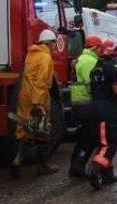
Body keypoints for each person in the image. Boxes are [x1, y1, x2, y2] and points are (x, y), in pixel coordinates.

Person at [10, 29, 60, 178]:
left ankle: (18, 159)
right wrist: (38, 104)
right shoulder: (45, 57)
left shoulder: (31, 55)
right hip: (37, 98)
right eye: (53, 43)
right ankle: (44, 166)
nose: (54, 47)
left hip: (24, 96)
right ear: (50, 43)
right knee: (42, 130)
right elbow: (41, 82)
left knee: (24, 129)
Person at [86, 39, 117, 189]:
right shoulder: (111, 69)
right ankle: (95, 169)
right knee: (110, 143)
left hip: (95, 108)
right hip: (107, 110)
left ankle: (108, 175)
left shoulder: (96, 68)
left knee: (102, 142)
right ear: (114, 53)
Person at [68, 35, 103, 178]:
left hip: (81, 104)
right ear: (95, 47)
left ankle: (76, 166)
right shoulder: (89, 61)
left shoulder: (83, 59)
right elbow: (92, 84)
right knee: (90, 137)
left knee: (86, 136)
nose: (102, 51)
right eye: (100, 48)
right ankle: (78, 166)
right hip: (87, 103)